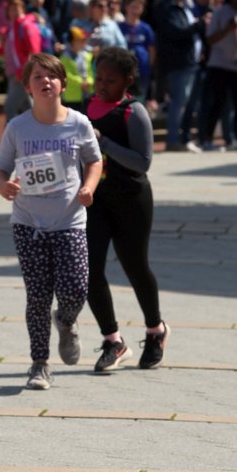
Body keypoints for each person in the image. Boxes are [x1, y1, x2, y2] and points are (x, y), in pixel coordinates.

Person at [0, 52, 102, 390]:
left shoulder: (79, 123)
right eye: (38, 77)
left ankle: (66, 321)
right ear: (27, 86)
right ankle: (39, 364)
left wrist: (89, 186)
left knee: (76, 289)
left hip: (70, 220)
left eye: (52, 76)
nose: (46, 81)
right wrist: (4, 187)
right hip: (29, 223)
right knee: (38, 296)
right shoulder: (18, 127)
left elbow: (94, 161)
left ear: (63, 84)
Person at [85, 47, 168, 372]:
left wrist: (104, 143)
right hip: (95, 201)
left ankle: (155, 330)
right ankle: (113, 341)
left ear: (128, 80)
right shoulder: (84, 109)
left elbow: (142, 162)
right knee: (90, 271)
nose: (102, 85)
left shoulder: (133, 112)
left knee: (135, 267)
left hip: (132, 201)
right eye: (99, 78)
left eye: (110, 80)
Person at [154, 0, 203, 152]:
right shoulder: (168, 8)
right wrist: (197, 25)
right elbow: (175, 32)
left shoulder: (184, 7)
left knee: (186, 102)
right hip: (178, 63)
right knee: (178, 102)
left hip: (189, 62)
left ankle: (182, 138)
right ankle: (173, 140)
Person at [201, 0, 237, 150]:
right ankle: (207, 139)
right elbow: (210, 39)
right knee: (217, 103)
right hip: (220, 66)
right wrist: (227, 29)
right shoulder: (219, 12)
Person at [119, 0, 155, 100]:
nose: (135, 10)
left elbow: (152, 49)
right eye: (133, 6)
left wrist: (150, 66)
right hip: (123, 70)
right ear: (126, 7)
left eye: (139, 7)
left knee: (139, 99)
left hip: (142, 70)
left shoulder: (146, 28)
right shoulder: (119, 27)